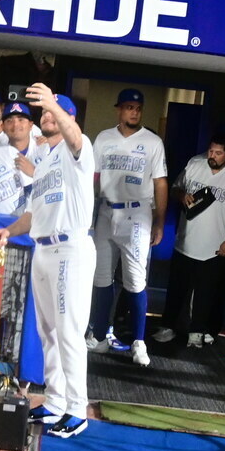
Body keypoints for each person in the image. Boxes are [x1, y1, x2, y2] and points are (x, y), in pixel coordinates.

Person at [0, 85, 95, 438]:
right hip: (44, 247)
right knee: (47, 331)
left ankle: (77, 409)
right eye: (45, 112)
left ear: (68, 117)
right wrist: (9, 229)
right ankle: (54, 402)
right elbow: (33, 213)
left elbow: (76, 136)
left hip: (71, 248)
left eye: (55, 112)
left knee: (69, 331)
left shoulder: (78, 148)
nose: (47, 116)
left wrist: (53, 102)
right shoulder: (46, 160)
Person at [89, 88, 168, 365]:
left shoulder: (152, 142)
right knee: (101, 279)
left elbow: (160, 183)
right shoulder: (104, 138)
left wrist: (159, 221)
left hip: (137, 214)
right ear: (119, 110)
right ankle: (98, 337)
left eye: (137, 108)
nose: (133, 112)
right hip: (106, 211)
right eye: (128, 107)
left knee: (135, 281)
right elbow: (94, 178)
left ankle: (138, 342)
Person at [154, 135, 225, 351]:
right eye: (211, 151)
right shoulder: (195, 165)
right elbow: (176, 187)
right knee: (177, 288)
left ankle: (197, 331)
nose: (212, 156)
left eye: (218, 153)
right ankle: (167, 326)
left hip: (213, 247)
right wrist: (182, 195)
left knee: (206, 291)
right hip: (185, 241)